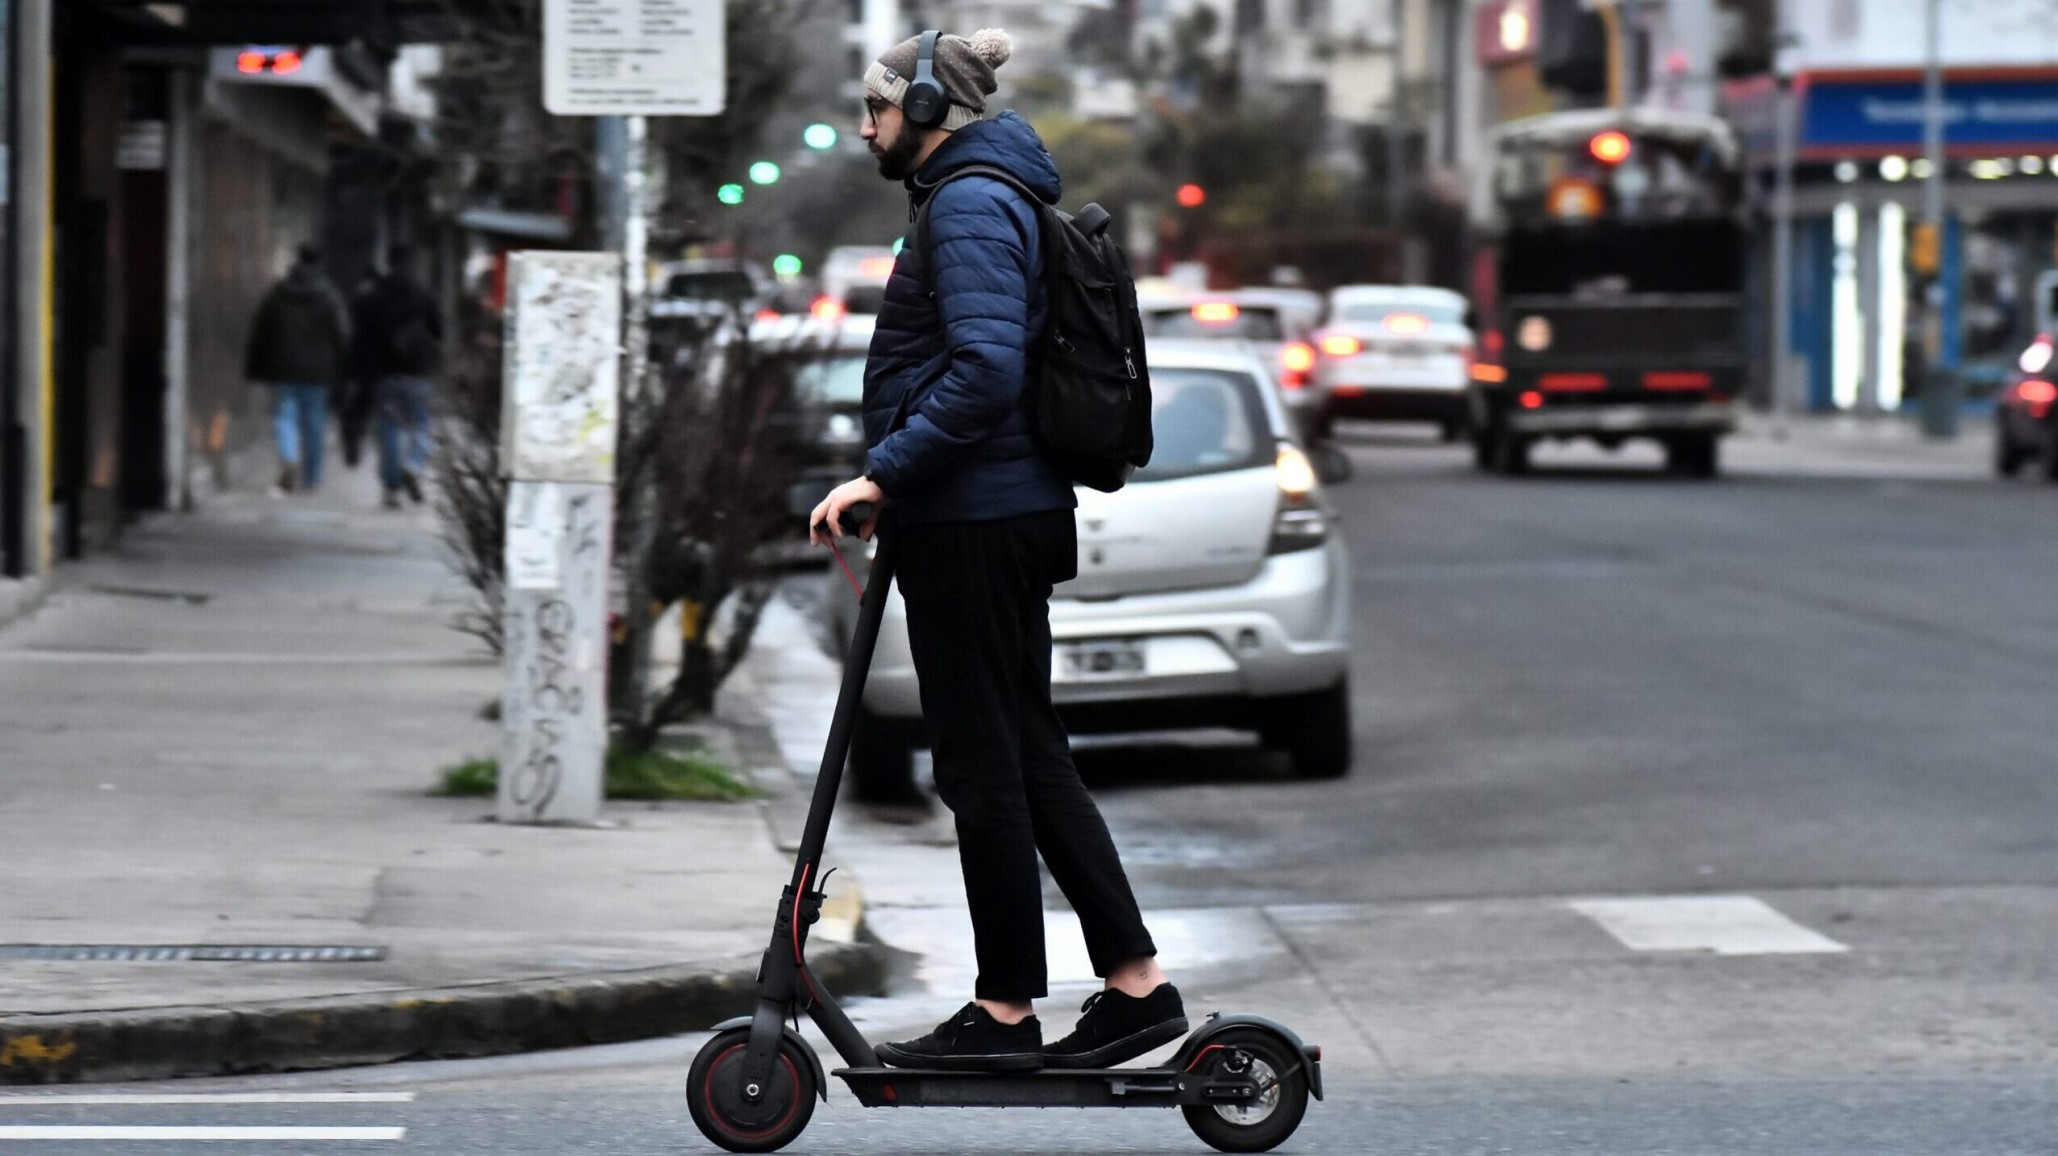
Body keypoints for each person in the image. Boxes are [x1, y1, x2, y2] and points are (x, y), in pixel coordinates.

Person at [809, 27, 1184, 1074]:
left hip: (978, 521)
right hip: (990, 511)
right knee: (1024, 754)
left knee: (985, 765)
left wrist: (885, 473)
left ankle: (1007, 1010)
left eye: (877, 108)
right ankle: (1133, 986)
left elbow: (981, 371)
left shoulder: (970, 203)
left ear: (928, 111)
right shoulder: (978, 195)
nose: (866, 126)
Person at [245, 244, 350, 494]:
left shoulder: (279, 293)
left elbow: (261, 331)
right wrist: (344, 366)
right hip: (318, 371)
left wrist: (256, 365)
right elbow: (342, 334)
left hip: (285, 368)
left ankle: (289, 458)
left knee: (285, 417)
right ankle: (312, 477)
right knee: (314, 424)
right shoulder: (329, 295)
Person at [352, 245, 443, 509]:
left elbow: (362, 338)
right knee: (421, 425)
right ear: (410, 262)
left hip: (385, 374)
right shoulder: (423, 293)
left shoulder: (374, 295)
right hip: (417, 373)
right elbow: (438, 329)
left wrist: (360, 373)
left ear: (388, 262)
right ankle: (414, 464)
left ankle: (391, 488)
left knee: (388, 428)